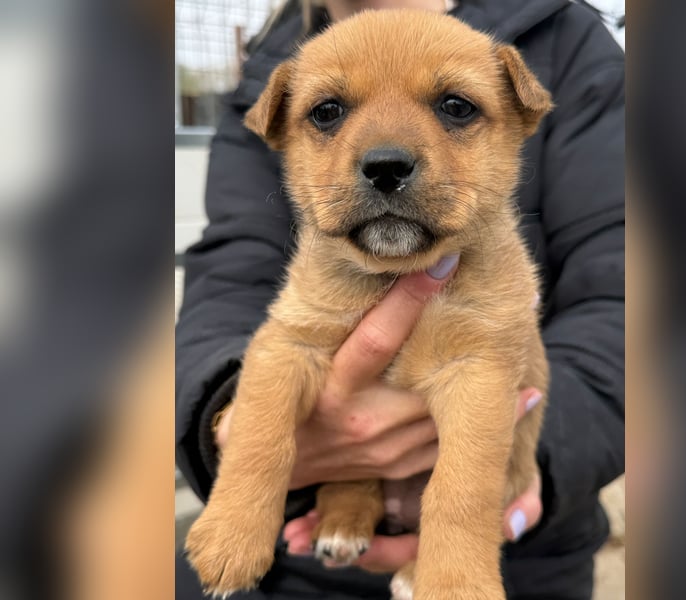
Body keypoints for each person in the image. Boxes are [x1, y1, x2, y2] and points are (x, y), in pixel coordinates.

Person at [176, 0, 624, 598]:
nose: (385, 153)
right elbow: (263, 326)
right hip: (302, 562)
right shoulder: (269, 65)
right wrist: (236, 452)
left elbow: (623, 285)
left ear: (520, 119)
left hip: (535, 556)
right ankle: (350, 504)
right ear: (281, 133)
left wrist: (478, 521)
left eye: (455, 107)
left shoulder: (568, 38)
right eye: (329, 113)